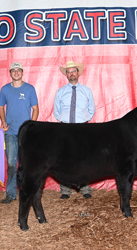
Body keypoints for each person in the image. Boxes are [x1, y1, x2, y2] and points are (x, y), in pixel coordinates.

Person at [53, 60, 96, 199]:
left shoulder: (86, 90)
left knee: (84, 158)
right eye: (69, 71)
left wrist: (83, 121)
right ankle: (65, 190)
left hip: (82, 128)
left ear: (78, 73)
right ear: (66, 74)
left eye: (73, 71)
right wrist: (66, 122)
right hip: (65, 128)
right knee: (64, 159)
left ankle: (85, 188)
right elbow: (57, 111)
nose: (71, 74)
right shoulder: (60, 92)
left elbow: (92, 109)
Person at [0, 62, 39, 204]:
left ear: (22, 72)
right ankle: (10, 193)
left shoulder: (29, 89)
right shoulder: (4, 90)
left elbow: (35, 109)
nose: (16, 72)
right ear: (10, 73)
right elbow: (1, 107)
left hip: (26, 134)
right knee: (11, 163)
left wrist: (32, 126)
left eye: (18, 70)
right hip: (10, 132)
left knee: (27, 164)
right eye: (13, 70)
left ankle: (28, 192)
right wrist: (3, 121)